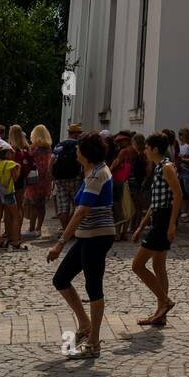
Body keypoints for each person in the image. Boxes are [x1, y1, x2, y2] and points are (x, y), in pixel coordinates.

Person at [47, 132, 115, 358]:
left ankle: (94, 342)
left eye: (77, 149)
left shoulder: (97, 174)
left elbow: (81, 211)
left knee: (93, 287)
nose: (75, 152)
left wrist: (60, 243)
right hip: (88, 235)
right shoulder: (92, 172)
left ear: (86, 153)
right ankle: (85, 324)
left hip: (97, 236)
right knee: (61, 279)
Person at [131, 133, 182, 327]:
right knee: (158, 267)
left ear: (154, 149)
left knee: (137, 265)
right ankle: (161, 312)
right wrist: (141, 226)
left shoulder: (167, 167)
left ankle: (165, 302)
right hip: (159, 218)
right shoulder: (159, 167)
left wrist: (171, 225)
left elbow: (177, 195)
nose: (144, 151)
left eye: (146, 148)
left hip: (163, 221)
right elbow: (155, 203)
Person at [51, 122, 84, 231]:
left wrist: (51, 175)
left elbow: (52, 160)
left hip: (60, 178)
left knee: (62, 205)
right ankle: (72, 229)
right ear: (77, 134)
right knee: (76, 204)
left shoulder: (59, 145)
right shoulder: (79, 145)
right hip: (75, 177)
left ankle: (65, 229)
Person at [23, 125, 53, 238]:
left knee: (33, 204)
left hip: (34, 178)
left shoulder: (33, 148)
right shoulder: (48, 148)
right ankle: (38, 228)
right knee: (41, 205)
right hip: (45, 179)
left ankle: (31, 229)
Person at [0, 145, 22, 249]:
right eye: (10, 152)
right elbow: (15, 178)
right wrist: (18, 168)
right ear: (7, 154)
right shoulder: (11, 164)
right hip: (8, 192)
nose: (12, 153)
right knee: (15, 216)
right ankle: (15, 241)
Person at [110, 132, 135, 240]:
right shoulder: (134, 150)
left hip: (121, 181)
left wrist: (108, 171)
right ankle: (124, 232)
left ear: (126, 141)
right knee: (128, 207)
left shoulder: (124, 151)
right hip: (132, 180)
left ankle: (117, 234)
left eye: (120, 141)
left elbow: (116, 163)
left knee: (119, 207)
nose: (119, 143)